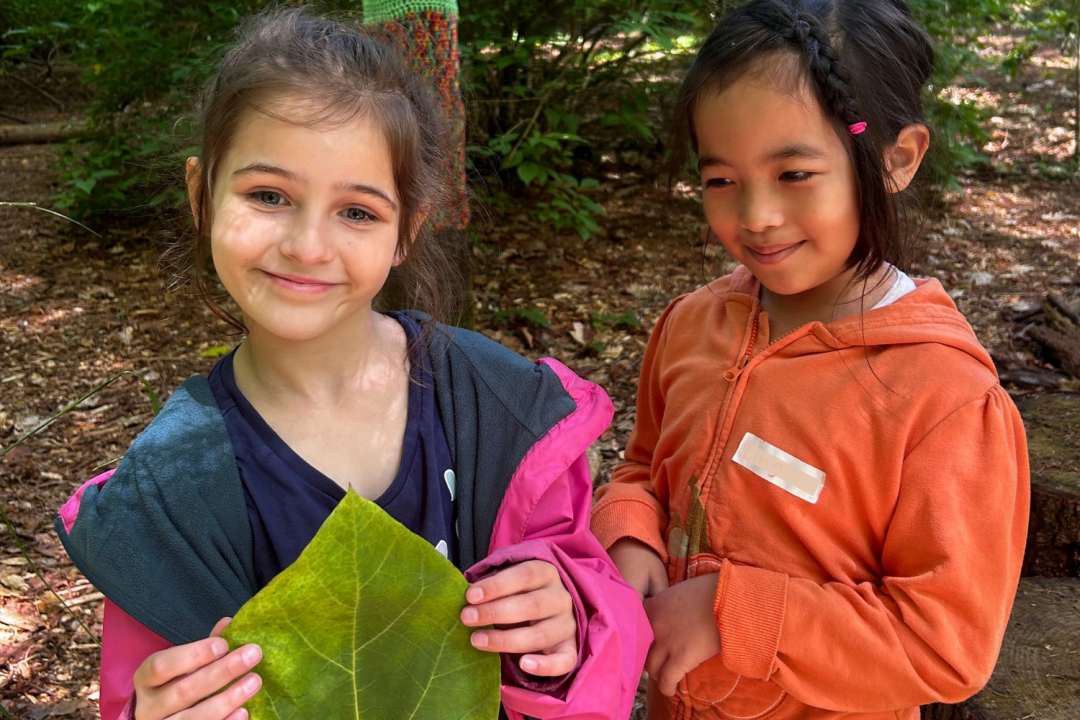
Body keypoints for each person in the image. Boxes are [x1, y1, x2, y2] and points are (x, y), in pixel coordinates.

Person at [54, 7, 649, 720]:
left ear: (407, 230)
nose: (308, 245)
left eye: (358, 212)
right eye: (269, 196)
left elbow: (596, 610)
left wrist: (565, 619)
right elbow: (136, 687)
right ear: (201, 194)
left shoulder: (496, 408)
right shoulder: (169, 496)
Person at [591, 1, 1030, 718]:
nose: (755, 215)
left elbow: (946, 645)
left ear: (895, 160)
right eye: (722, 180)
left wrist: (733, 614)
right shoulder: (689, 328)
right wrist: (630, 533)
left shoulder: (944, 399)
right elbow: (643, 467)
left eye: (794, 173)